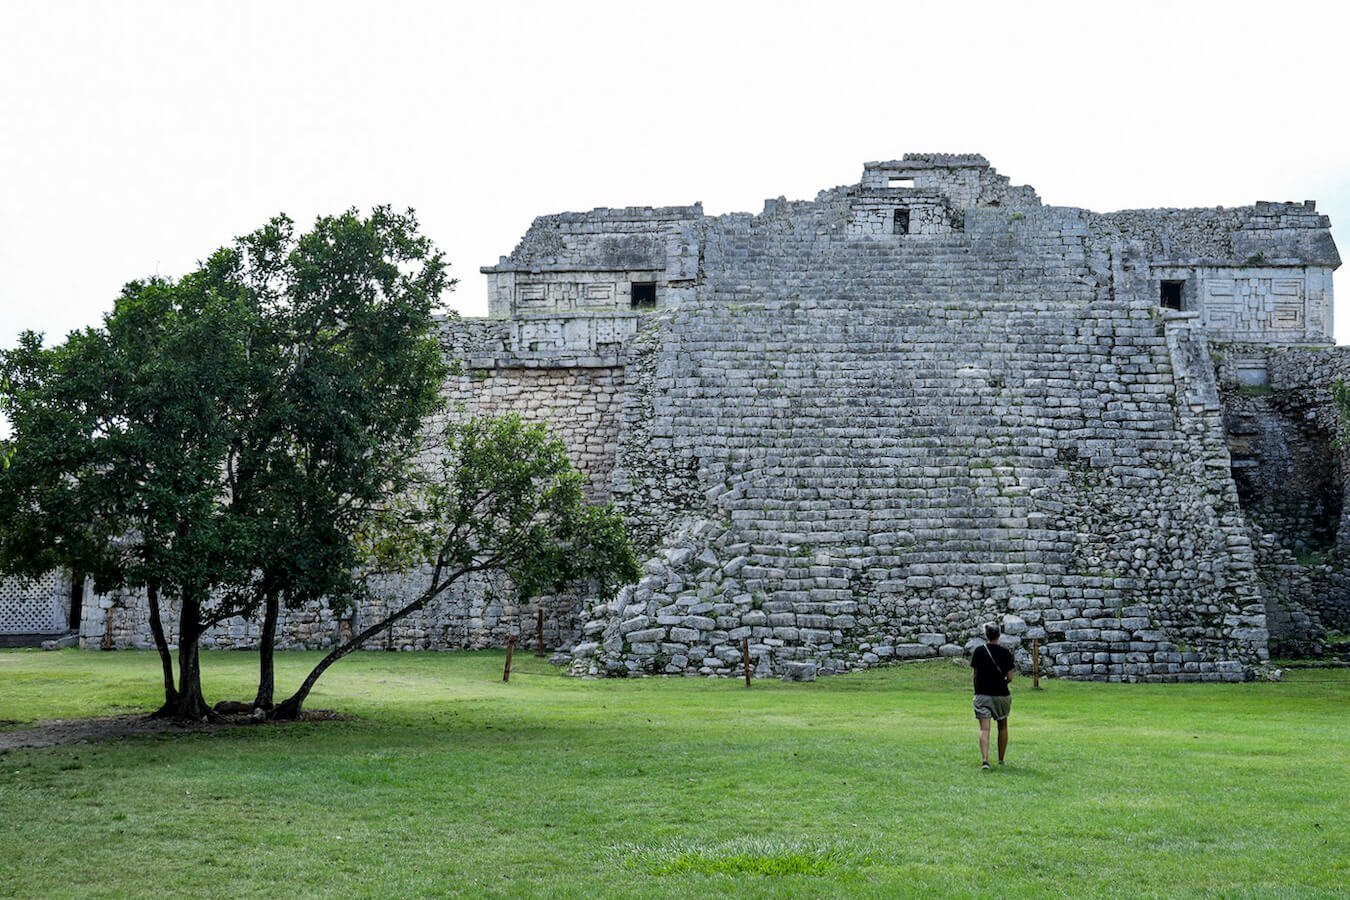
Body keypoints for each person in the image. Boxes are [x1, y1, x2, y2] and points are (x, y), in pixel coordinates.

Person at [972, 621, 1015, 769]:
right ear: (999, 635)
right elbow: (1010, 677)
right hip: (1002, 695)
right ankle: (1001, 759)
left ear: (986, 635)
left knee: (984, 729)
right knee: (1002, 726)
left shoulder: (978, 651)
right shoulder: (1005, 653)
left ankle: (985, 760)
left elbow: (975, 675)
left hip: (982, 694)